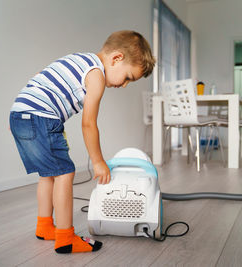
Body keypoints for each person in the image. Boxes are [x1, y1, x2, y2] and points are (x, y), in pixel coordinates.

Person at [9, 30, 155, 254]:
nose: (124, 85)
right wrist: (98, 161)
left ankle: (44, 226)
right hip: (41, 117)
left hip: (20, 114)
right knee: (65, 174)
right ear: (116, 59)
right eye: (127, 78)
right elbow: (88, 123)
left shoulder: (77, 59)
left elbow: (41, 75)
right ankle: (66, 238)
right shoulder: (95, 75)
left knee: (48, 175)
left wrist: (23, 113)